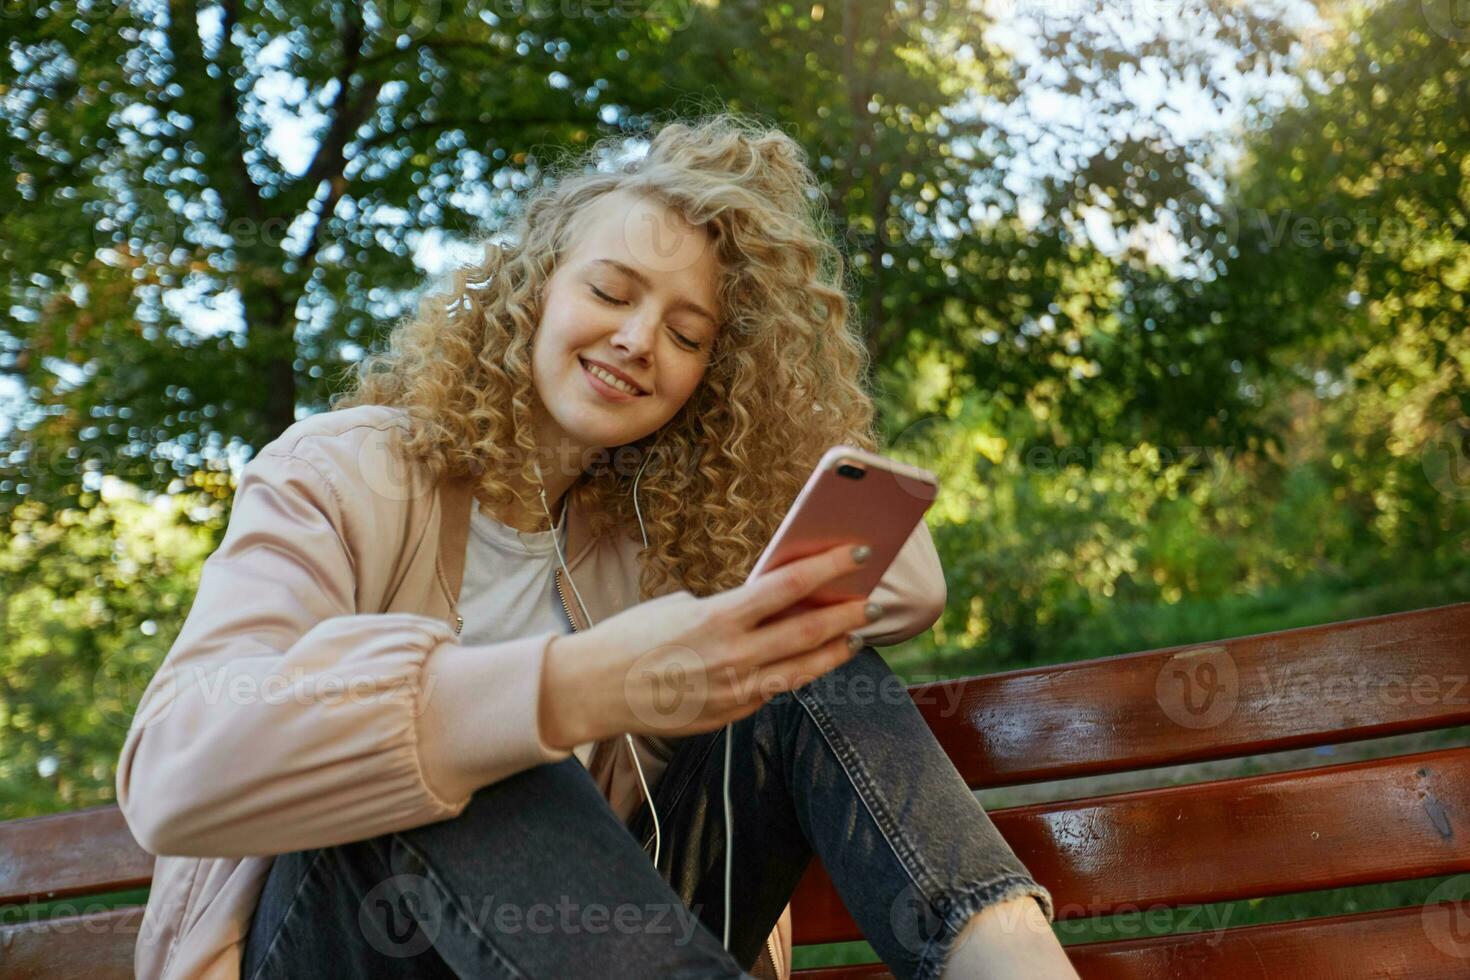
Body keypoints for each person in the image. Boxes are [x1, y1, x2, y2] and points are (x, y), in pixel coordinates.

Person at [116, 113, 1078, 980]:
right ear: (532, 291)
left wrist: (777, 411)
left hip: (596, 946)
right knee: (470, 739)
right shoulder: (338, 473)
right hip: (344, 943)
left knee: (804, 655)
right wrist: (565, 685)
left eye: (689, 335)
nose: (637, 340)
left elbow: (900, 589)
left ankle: (1011, 964)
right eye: (612, 291)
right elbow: (171, 770)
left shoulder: (648, 531)